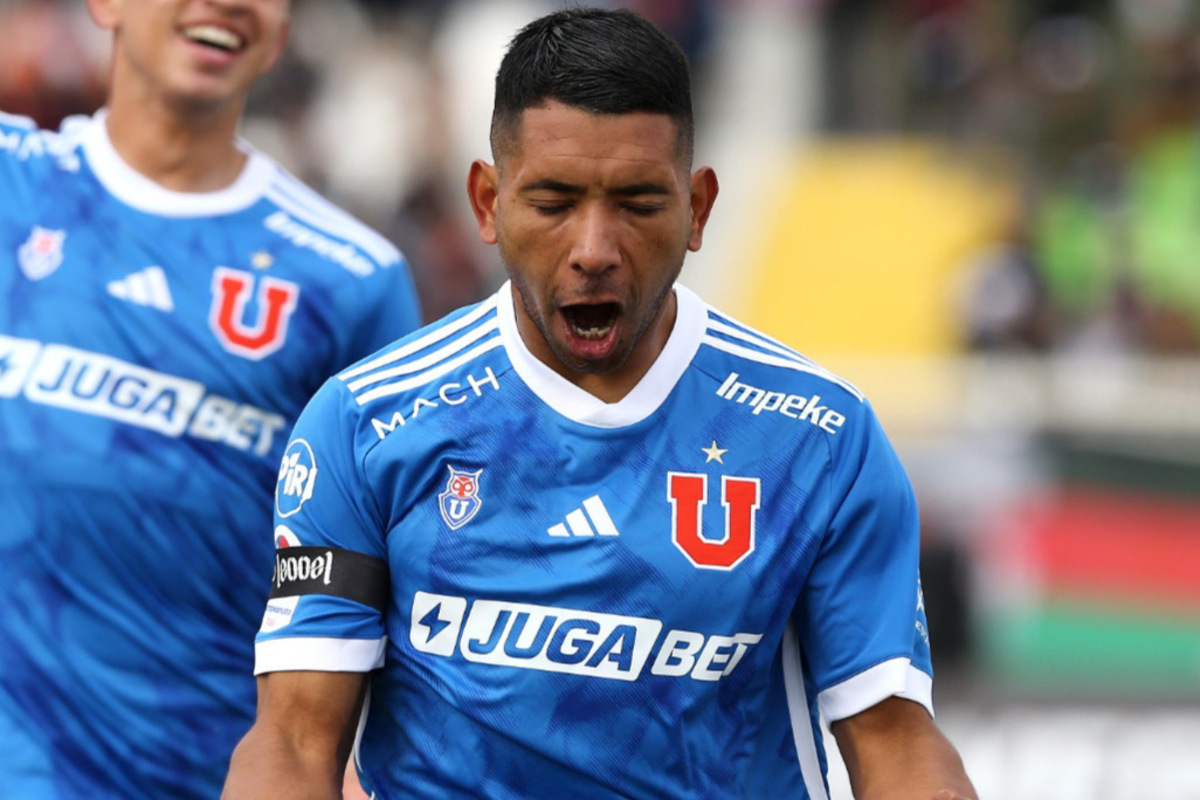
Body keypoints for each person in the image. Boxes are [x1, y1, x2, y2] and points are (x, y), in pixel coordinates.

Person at [222, 7, 976, 799]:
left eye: (639, 203)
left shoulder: (818, 437)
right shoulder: (366, 425)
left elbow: (895, 741)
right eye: (553, 203)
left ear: (698, 208)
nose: (594, 250)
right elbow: (295, 740)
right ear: (487, 201)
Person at [0, 0, 421, 798]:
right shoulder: (12, 182)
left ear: (282, 34)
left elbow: (398, 594)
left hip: (198, 772)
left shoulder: (349, 281)